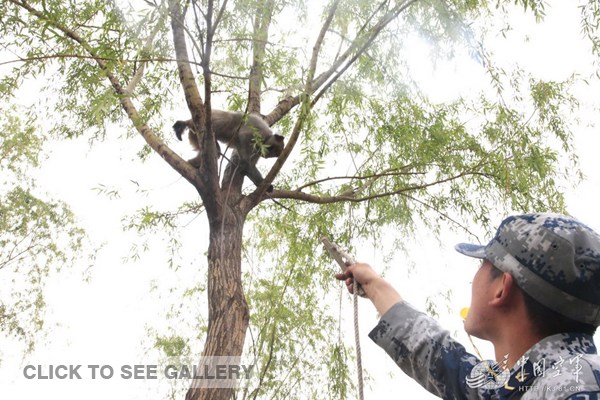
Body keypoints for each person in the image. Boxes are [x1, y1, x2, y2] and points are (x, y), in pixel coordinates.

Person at [336, 213, 600, 399]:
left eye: (482, 264)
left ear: (501, 288)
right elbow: (442, 360)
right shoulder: (523, 383)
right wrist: (374, 285)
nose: (474, 278)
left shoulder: (575, 386)